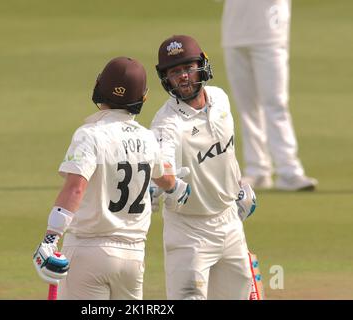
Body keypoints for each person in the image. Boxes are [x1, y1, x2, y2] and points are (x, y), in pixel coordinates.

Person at [32, 56, 191, 300]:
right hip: (132, 258)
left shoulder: (90, 135)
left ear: (99, 88)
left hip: (88, 251)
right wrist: (177, 187)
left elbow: (75, 189)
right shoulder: (147, 138)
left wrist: (50, 239)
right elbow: (166, 179)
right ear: (142, 97)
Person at [150, 34, 256, 300]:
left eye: (188, 68)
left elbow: (225, 152)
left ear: (202, 66)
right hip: (189, 233)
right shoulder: (166, 124)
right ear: (166, 79)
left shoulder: (220, 99)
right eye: (175, 72)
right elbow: (160, 170)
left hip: (230, 222)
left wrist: (238, 187)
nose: (183, 77)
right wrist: (167, 186)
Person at [221, 0, 317, 191]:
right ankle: (257, 170)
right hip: (234, 34)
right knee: (247, 107)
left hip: (270, 34)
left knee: (275, 103)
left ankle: (289, 170)